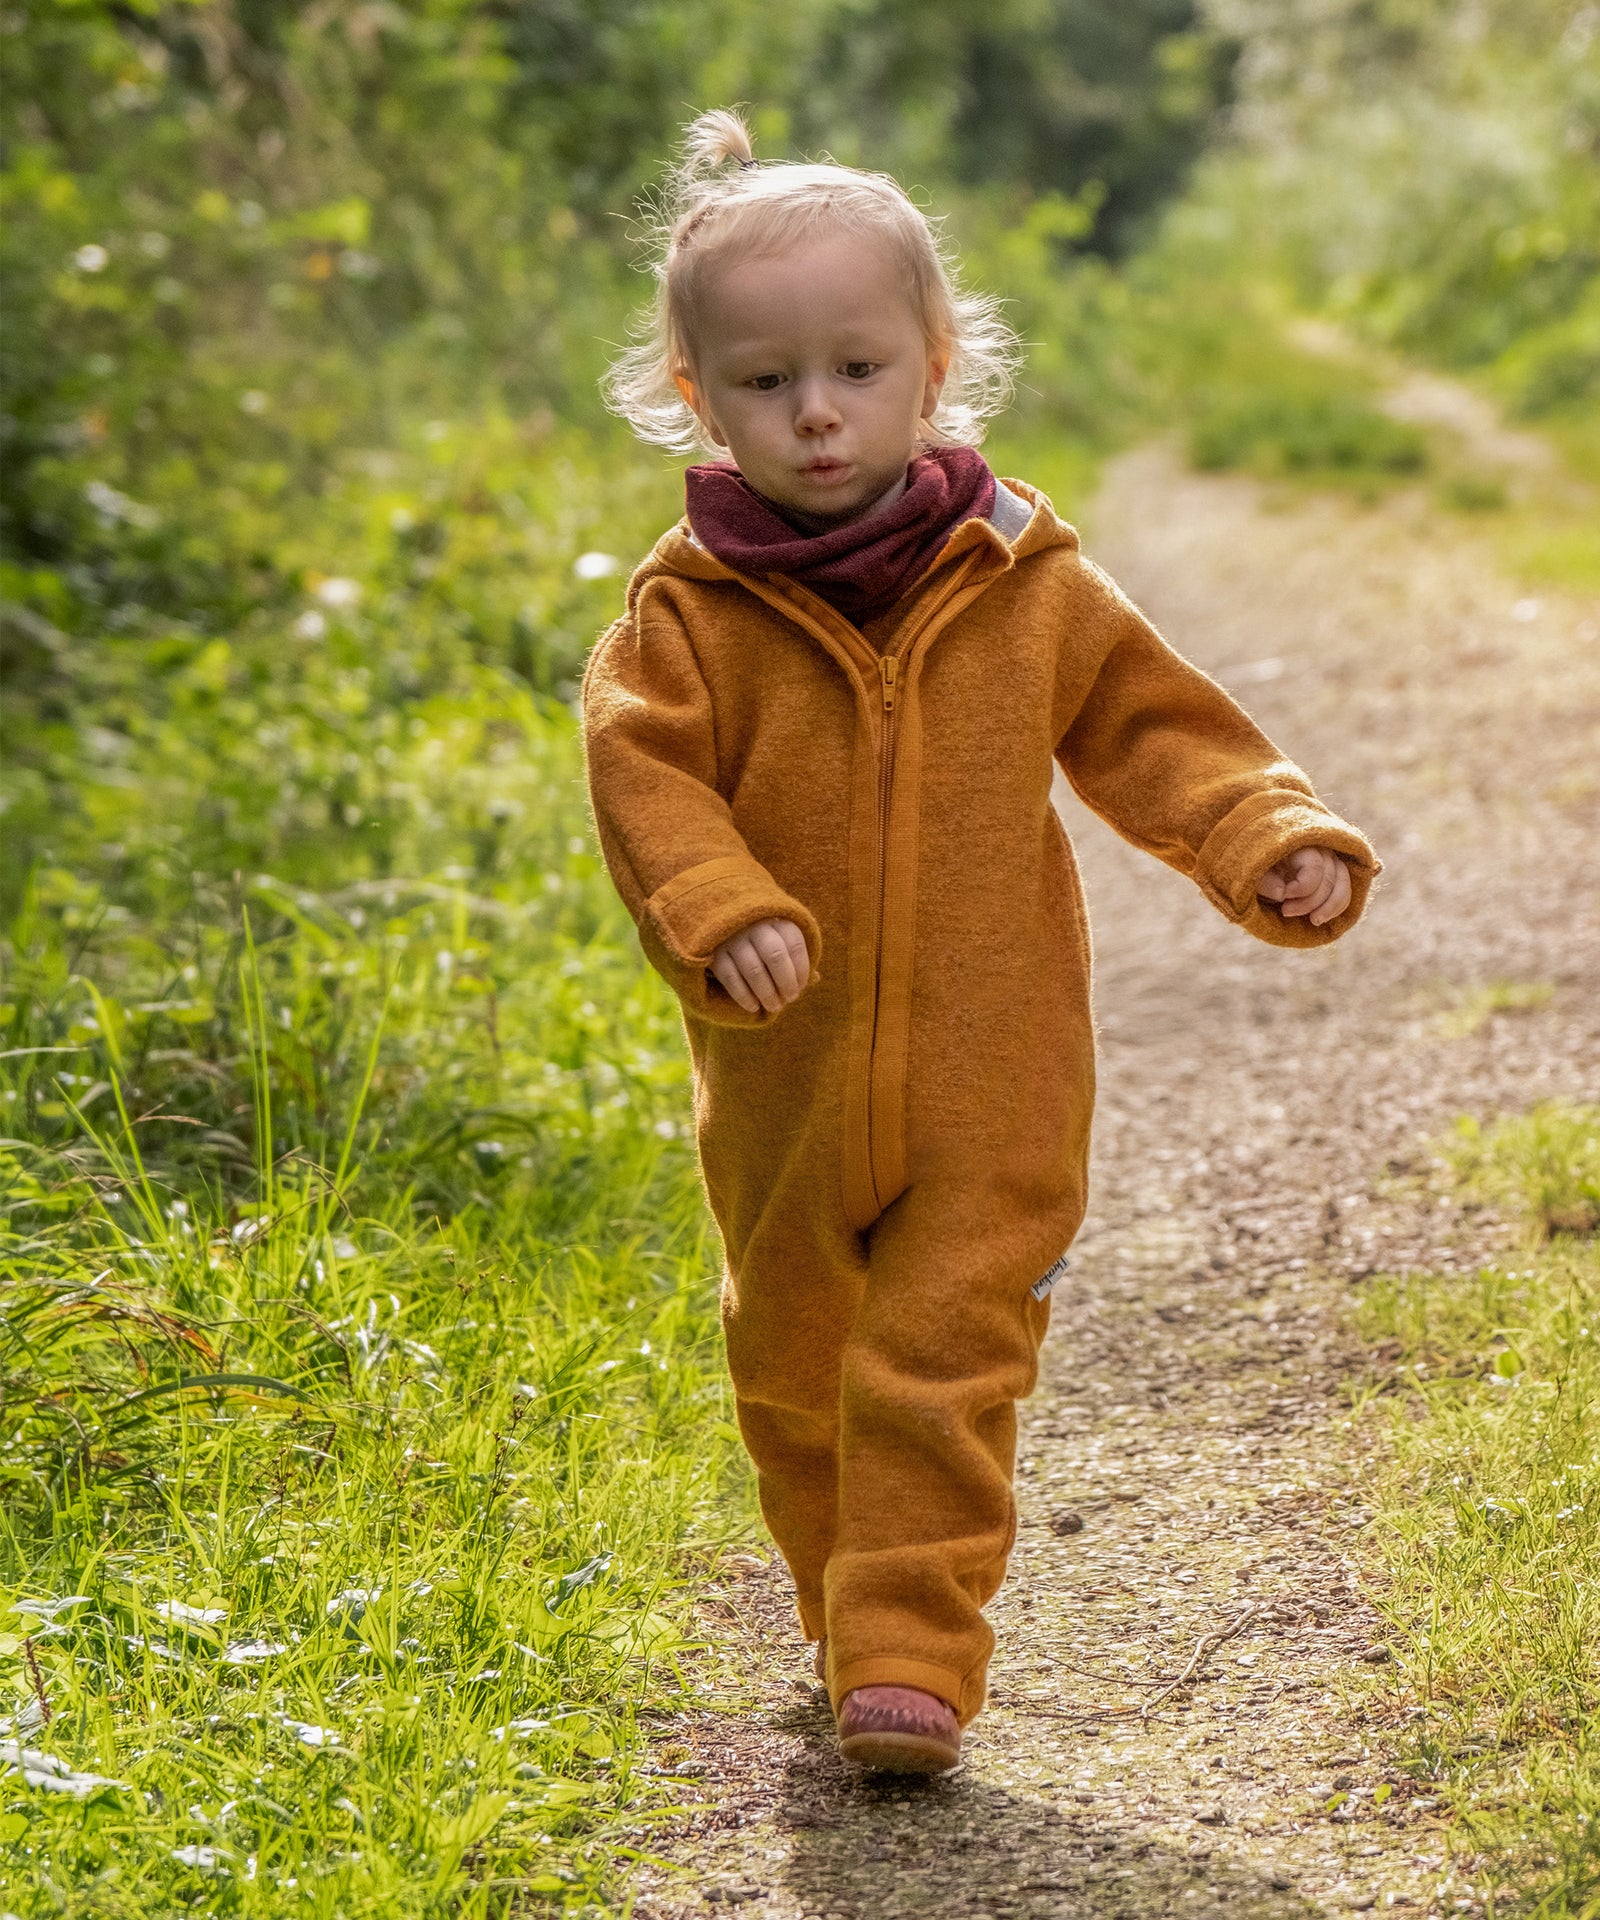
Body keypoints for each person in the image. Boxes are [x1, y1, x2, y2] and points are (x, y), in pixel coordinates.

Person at [582, 109, 1378, 1774]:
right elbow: (644, 780)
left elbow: (1163, 735)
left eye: (856, 369)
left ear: (936, 364)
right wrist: (719, 916)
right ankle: (838, 1600)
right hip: (784, 1087)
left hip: (995, 1075)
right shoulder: (688, 615)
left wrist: (1265, 834)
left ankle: (906, 1655)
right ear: (692, 391)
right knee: (802, 1369)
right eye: (764, 380)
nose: (814, 412)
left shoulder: (1023, 578)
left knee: (944, 1360)